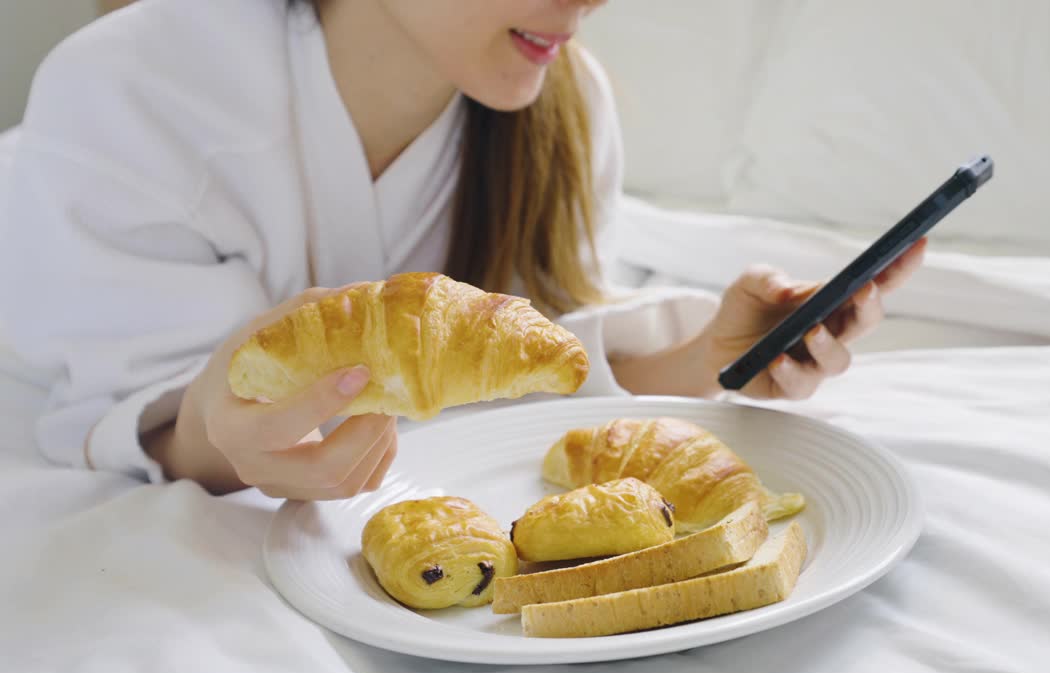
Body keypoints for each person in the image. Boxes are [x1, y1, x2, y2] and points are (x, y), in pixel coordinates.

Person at [0, 0, 925, 500]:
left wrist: (706, 363)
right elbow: (145, 416)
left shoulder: (567, 109)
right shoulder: (134, 87)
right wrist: (220, 423)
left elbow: (528, 369)